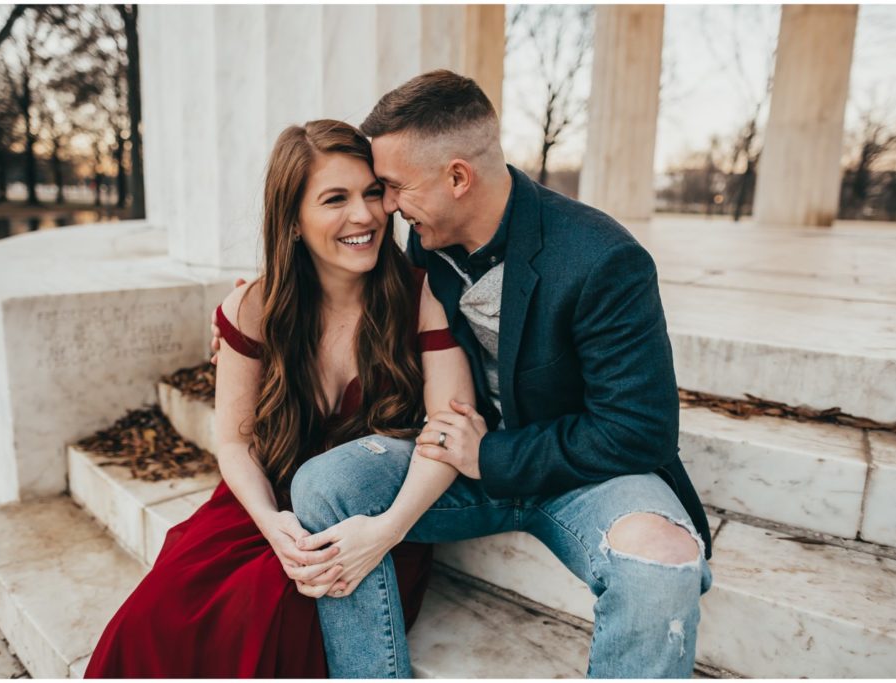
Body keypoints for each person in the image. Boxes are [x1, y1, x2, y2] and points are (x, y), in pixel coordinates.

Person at [214, 70, 714, 678]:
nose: (386, 207)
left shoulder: (602, 259)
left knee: (662, 561)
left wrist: (491, 455)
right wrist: (253, 319)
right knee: (325, 483)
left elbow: (640, 431)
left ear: (457, 178)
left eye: (394, 187)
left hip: (582, 475)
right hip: (454, 463)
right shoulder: (425, 245)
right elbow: (333, 289)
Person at [85, 119, 475, 677]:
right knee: (154, 618)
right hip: (265, 505)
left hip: (365, 522)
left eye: (372, 193)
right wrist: (272, 522)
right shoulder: (253, 308)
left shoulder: (420, 296)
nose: (364, 215)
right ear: (292, 220)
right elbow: (235, 443)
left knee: (265, 614)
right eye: (335, 199)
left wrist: (387, 530)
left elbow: (447, 430)